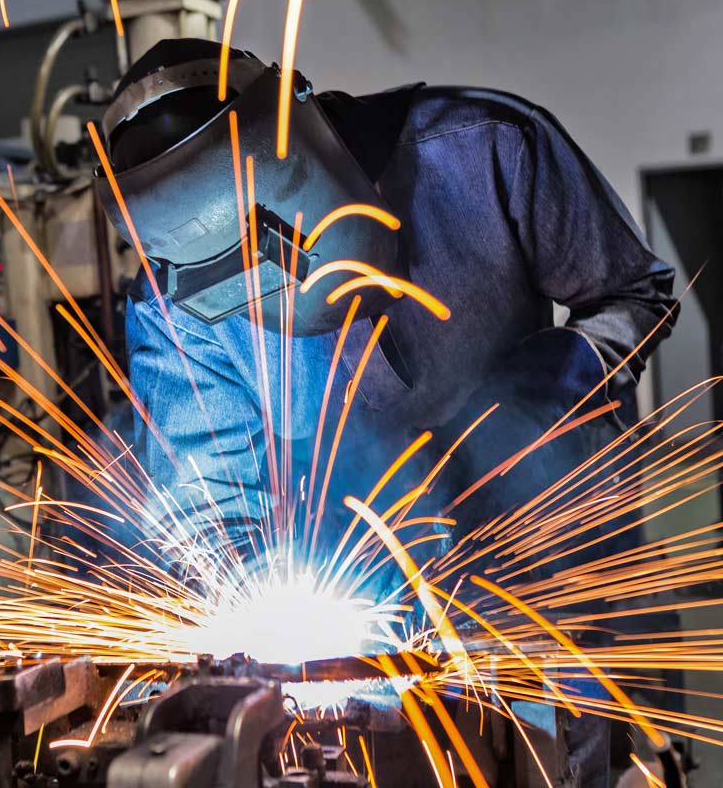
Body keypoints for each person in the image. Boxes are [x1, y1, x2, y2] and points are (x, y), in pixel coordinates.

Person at [96, 38, 678, 788]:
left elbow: (635, 292)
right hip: (365, 599)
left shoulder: (486, 149)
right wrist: (257, 596)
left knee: (562, 758)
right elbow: (209, 497)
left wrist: (542, 399)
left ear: (294, 139)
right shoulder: (172, 301)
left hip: (542, 566)